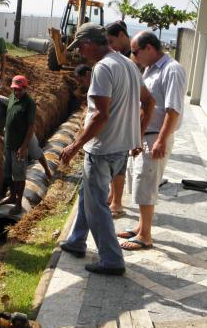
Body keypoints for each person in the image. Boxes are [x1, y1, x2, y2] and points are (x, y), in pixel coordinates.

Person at [59, 23, 154, 276]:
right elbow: (148, 101)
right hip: (120, 146)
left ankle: (111, 259)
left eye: (80, 46)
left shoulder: (102, 68)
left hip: (102, 148)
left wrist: (75, 144)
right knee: (87, 196)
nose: (79, 51)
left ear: (90, 43)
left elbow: (100, 116)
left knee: (97, 205)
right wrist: (137, 134)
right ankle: (76, 241)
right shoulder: (128, 64)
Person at [119, 31, 186, 251]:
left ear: (149, 48)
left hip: (157, 136)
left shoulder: (171, 70)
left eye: (136, 52)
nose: (134, 56)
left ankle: (145, 235)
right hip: (146, 136)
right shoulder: (150, 69)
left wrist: (161, 140)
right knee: (139, 183)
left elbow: (172, 109)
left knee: (146, 184)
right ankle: (140, 227)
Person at [104, 21, 132, 217]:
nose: (111, 46)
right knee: (116, 163)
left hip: (126, 120)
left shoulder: (132, 59)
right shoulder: (123, 57)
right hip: (123, 119)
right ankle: (113, 196)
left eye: (112, 41)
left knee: (120, 163)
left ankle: (117, 204)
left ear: (122, 35)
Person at [0, 75, 36, 215]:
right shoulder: (12, 97)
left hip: (19, 147)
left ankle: (19, 204)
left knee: (19, 176)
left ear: (25, 88)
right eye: (14, 89)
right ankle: (11, 196)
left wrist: (23, 146)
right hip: (8, 144)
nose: (17, 92)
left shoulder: (29, 104)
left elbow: (31, 127)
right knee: (8, 173)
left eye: (19, 89)